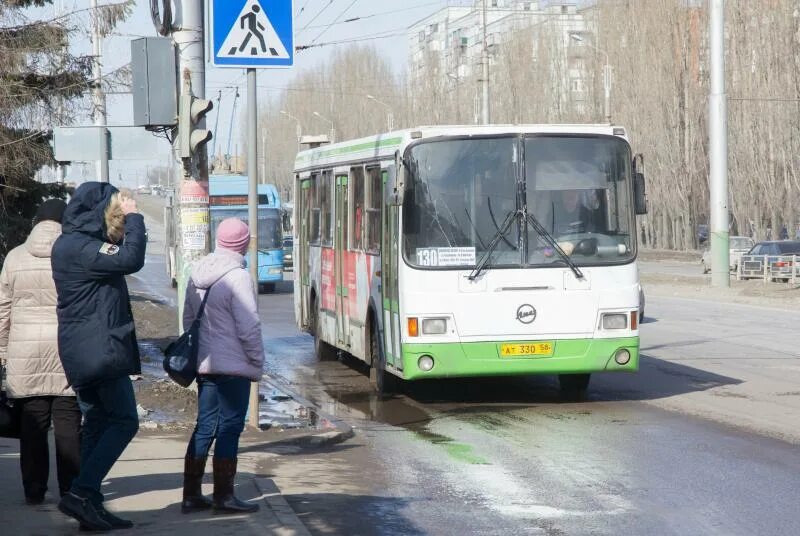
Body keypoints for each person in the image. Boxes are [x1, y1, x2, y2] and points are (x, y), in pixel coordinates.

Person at [51, 182, 146, 531]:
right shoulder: (81, 248)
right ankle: (82, 493)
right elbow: (131, 259)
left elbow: (116, 251)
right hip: (99, 352)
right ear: (95, 211)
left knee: (96, 424)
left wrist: (121, 226)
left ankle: (90, 507)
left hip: (82, 350)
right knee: (124, 421)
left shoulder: (72, 244)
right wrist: (135, 217)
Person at [0, 199, 82, 505]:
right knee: (68, 421)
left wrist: (2, 350)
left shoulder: (15, 257)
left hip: (26, 348)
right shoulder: (73, 255)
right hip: (66, 347)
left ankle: (34, 489)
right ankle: (71, 489)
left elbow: (2, 308)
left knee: (33, 423)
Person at [181, 218, 265, 515]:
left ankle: (191, 495)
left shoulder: (198, 272)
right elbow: (249, 327)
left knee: (204, 427)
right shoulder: (239, 277)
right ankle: (224, 496)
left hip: (206, 366)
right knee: (230, 428)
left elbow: (188, 320)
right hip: (233, 367)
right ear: (243, 243)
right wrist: (256, 360)